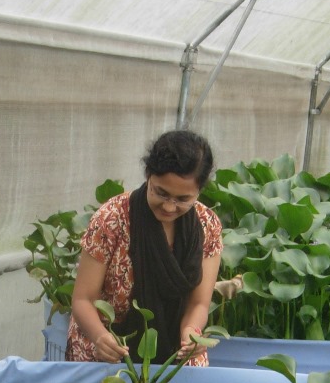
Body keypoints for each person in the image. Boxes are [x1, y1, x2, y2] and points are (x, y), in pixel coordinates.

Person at [67, 130, 223, 366]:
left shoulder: (207, 226)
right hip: (110, 347)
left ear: (199, 191)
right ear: (148, 175)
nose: (169, 207)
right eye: (161, 193)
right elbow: (83, 299)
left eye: (183, 199)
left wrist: (192, 332)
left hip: (175, 348)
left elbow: (198, 303)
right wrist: (100, 337)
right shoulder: (112, 219)